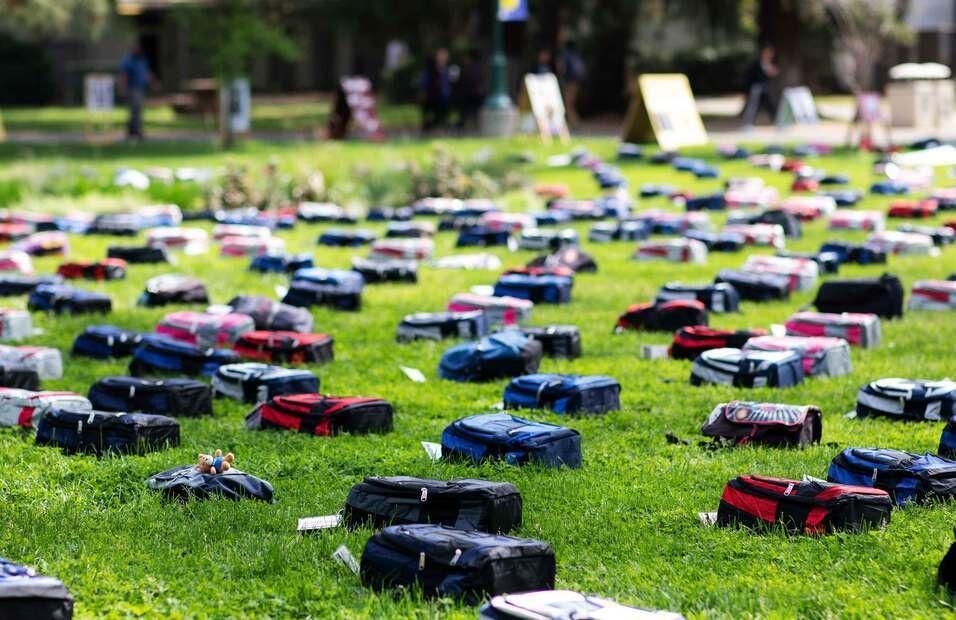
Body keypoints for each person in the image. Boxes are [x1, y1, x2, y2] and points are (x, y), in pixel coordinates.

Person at [119, 44, 153, 140]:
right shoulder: (128, 61)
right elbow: (124, 76)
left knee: (137, 110)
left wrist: (153, 82)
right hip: (132, 89)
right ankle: (137, 132)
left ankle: (131, 132)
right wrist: (123, 89)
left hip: (141, 88)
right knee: (136, 110)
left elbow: (147, 73)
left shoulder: (142, 60)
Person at [741, 44, 779, 129]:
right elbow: (752, 76)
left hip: (764, 88)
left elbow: (771, 74)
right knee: (753, 106)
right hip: (756, 88)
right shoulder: (757, 63)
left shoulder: (769, 63)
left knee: (770, 105)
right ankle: (747, 124)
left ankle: (777, 121)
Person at [421, 48, 451, 134]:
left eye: (444, 56)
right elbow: (424, 82)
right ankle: (430, 129)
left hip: (444, 97)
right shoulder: (431, 69)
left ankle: (440, 128)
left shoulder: (449, 69)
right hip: (433, 96)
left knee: (442, 112)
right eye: (440, 55)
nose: (442, 58)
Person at [557, 40, 586, 128]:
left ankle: (574, 123)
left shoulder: (565, 55)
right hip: (577, 83)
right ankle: (573, 123)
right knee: (571, 104)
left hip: (569, 82)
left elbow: (561, 68)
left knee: (568, 104)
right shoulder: (576, 55)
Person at [456, 49, 486, 132]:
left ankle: (462, 127)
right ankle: (474, 127)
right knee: (474, 112)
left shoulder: (468, 68)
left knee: (465, 112)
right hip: (477, 94)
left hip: (470, 94)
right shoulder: (480, 68)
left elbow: (463, 82)